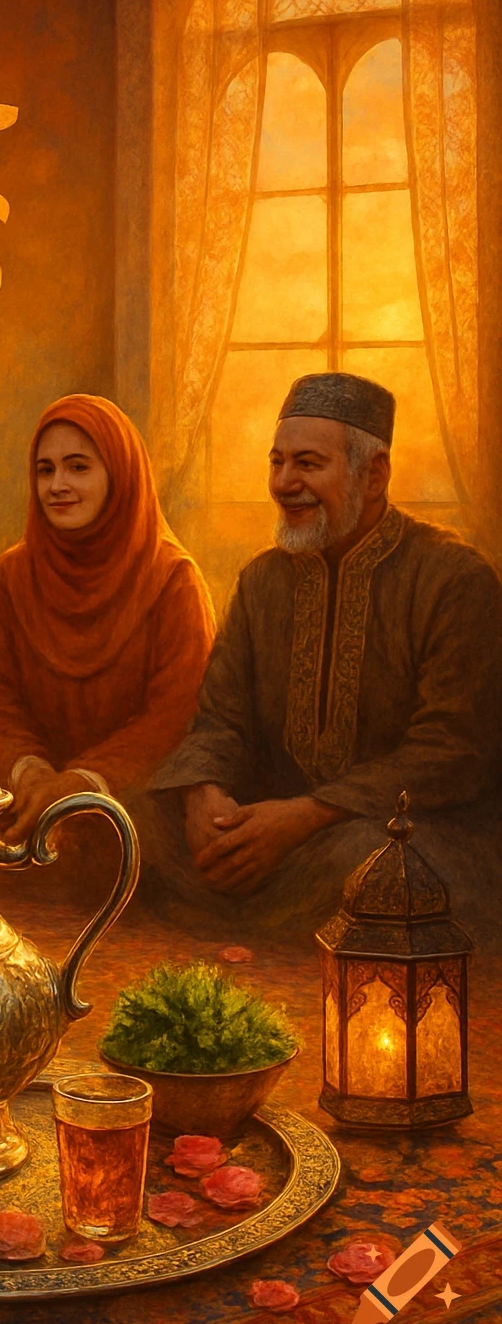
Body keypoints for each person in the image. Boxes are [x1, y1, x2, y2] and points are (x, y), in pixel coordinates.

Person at [149, 371, 502, 936]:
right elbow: (220, 719)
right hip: (267, 829)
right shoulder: (262, 581)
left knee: (369, 863)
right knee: (128, 821)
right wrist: (203, 795)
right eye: (276, 462)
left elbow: (450, 752)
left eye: (308, 464)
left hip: (401, 832)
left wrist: (305, 817)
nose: (284, 482)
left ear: (375, 474)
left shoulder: (454, 579)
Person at [0, 393, 216, 870]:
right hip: (23, 795)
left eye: (78, 467)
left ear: (119, 476)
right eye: (45, 470)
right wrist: (31, 771)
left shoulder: (172, 578)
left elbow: (175, 713)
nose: (57, 485)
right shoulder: (12, 574)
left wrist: (81, 781)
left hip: (131, 802)